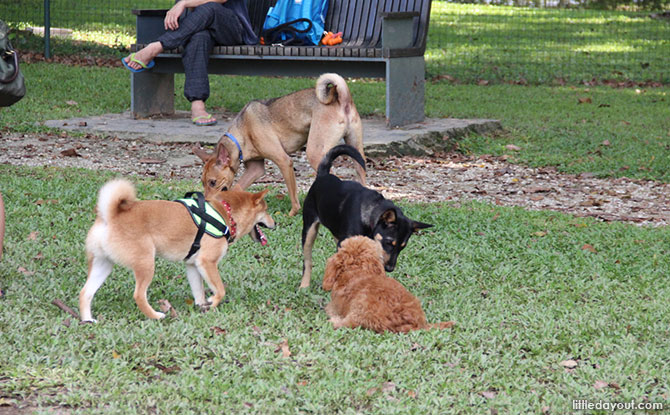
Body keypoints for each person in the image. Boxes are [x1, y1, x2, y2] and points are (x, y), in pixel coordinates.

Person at [123, 0, 258, 126]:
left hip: (232, 29)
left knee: (211, 7)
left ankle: (156, 47)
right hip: (200, 28)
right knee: (199, 38)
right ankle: (197, 104)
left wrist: (184, 3)